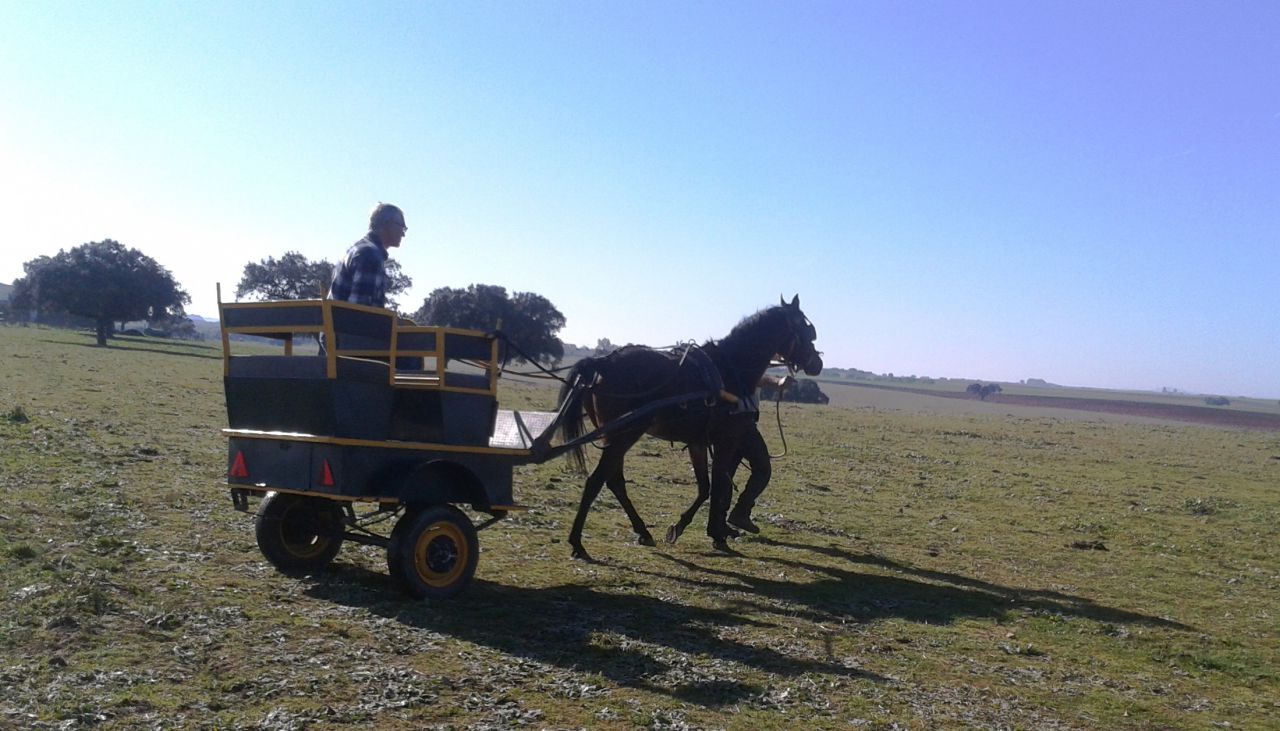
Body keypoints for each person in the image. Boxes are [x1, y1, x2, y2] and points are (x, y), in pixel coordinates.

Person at [725, 372, 793, 534]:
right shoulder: (748, 359)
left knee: (726, 473)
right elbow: (757, 377)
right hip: (742, 423)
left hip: (731, 422)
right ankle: (740, 512)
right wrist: (778, 381)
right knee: (762, 469)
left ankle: (721, 520)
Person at [328, 202, 407, 308]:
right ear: (386, 224)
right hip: (347, 323)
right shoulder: (369, 255)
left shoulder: (354, 249)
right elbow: (361, 313)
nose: (403, 234)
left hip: (336, 321)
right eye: (402, 226)